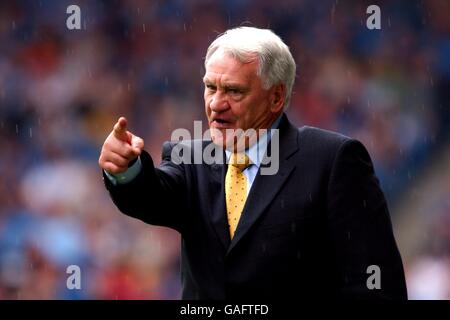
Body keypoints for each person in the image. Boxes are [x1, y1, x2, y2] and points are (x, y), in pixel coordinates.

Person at [99, 26, 407, 300]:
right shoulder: (189, 157)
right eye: (210, 87)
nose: (216, 104)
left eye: (234, 91)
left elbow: (376, 282)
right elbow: (151, 196)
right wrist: (126, 170)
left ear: (275, 98)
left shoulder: (332, 160)